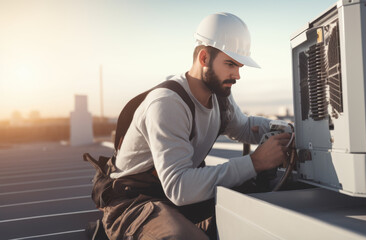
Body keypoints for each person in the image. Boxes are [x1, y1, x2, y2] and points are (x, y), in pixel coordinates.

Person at [95, 12, 292, 240]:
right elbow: (179, 187)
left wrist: (285, 130)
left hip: (172, 196)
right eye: (230, 64)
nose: (237, 75)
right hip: (133, 204)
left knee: (257, 205)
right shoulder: (168, 103)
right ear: (204, 58)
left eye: (239, 66)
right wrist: (255, 162)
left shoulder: (220, 96)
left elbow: (245, 127)